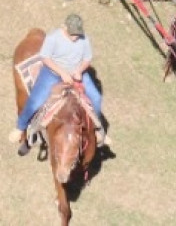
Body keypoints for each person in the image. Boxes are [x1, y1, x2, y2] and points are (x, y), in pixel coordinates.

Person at [11, 13, 107, 152]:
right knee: (35, 101)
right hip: (53, 73)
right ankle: (20, 128)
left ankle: (97, 129)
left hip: (77, 72)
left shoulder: (84, 39)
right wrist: (62, 73)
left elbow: (87, 59)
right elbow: (45, 58)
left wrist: (79, 71)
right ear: (64, 28)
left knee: (96, 98)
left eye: (77, 34)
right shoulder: (53, 38)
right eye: (72, 34)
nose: (75, 37)